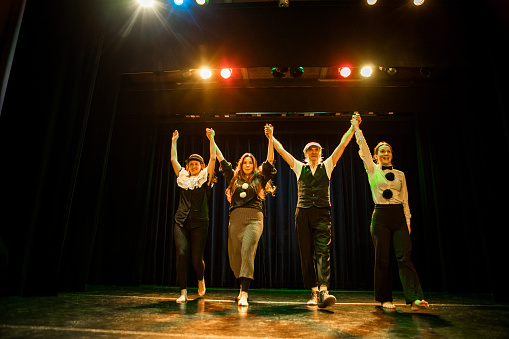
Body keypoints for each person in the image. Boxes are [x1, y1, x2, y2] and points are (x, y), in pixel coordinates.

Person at [266, 116, 358, 308]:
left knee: (323, 251)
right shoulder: (300, 167)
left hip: (323, 213)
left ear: (321, 153)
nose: (314, 152)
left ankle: (324, 290)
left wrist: (353, 127)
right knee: (306, 253)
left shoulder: (329, 165)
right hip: (303, 213)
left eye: (317, 149)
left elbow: (342, 145)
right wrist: (271, 137)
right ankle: (314, 291)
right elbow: (282, 152)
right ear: (305, 153)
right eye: (310, 150)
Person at [352, 116, 429, 311]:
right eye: (381, 151)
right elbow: (365, 150)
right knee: (383, 258)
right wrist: (357, 128)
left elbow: (405, 199)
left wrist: (408, 220)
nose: (385, 153)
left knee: (405, 257)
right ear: (376, 156)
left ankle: (415, 299)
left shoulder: (401, 175)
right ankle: (385, 299)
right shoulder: (372, 170)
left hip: (399, 216)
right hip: (380, 216)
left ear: (391, 154)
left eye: (388, 151)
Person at [216, 125, 277, 307]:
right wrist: (212, 140)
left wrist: (270, 138)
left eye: (250, 162)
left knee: (247, 250)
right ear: (241, 165)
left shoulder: (260, 178)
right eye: (245, 163)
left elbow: (270, 160)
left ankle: (244, 292)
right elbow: (222, 160)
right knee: (235, 256)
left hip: (254, 219)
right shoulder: (233, 179)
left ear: (254, 165)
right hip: (235, 219)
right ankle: (241, 284)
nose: (248, 165)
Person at [170, 128, 217, 303]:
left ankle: (200, 278)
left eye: (197, 164)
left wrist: (211, 139)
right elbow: (173, 159)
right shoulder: (183, 178)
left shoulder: (205, 178)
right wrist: (174, 141)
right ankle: (183, 291)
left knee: (196, 258)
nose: (194, 165)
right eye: (191, 164)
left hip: (200, 222)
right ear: (188, 167)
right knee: (182, 253)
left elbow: (213, 158)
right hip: (181, 220)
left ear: (201, 166)